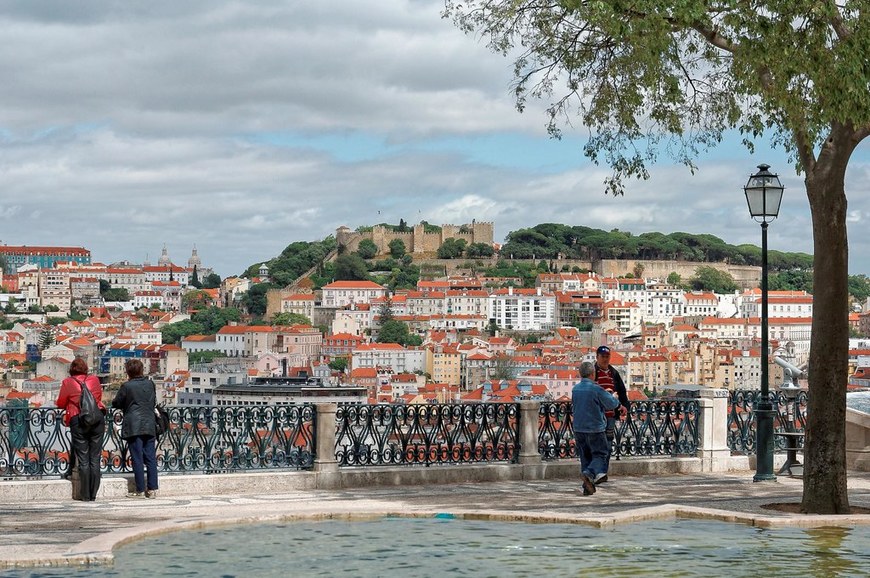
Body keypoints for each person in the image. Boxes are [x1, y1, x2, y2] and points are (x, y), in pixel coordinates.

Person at [55, 357, 106, 501]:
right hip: (97, 419)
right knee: (95, 458)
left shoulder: (68, 382)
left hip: (78, 419)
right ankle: (93, 493)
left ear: (71, 369)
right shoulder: (95, 380)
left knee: (83, 458)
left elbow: (61, 402)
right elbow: (98, 397)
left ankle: (85, 494)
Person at [112, 359, 159, 498]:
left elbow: (117, 402)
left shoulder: (127, 386)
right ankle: (152, 489)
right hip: (149, 423)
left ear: (128, 371)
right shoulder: (150, 384)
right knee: (150, 457)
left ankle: (139, 489)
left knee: (137, 457)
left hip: (134, 425)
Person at [572, 361, 620, 495]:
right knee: (601, 454)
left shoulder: (575, 389)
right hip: (595, 428)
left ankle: (587, 487)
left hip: (578, 428)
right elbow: (611, 404)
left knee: (585, 457)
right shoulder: (596, 389)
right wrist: (613, 396)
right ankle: (589, 473)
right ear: (593, 374)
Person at [593, 345, 630, 482]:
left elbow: (622, 390)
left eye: (607, 356)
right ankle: (597, 472)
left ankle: (603, 472)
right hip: (596, 415)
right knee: (597, 445)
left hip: (610, 415)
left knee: (608, 445)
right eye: (603, 356)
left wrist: (625, 406)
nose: (605, 359)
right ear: (597, 357)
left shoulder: (614, 373)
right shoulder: (593, 372)